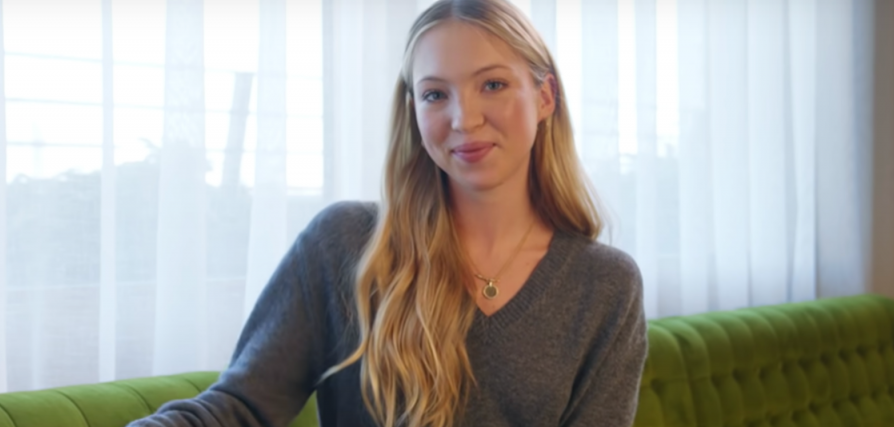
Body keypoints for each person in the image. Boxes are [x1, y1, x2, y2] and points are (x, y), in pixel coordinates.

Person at [130, 0, 646, 425]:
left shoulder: (605, 286)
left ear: (545, 95)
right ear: (414, 112)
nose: (464, 119)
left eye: (492, 84)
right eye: (435, 94)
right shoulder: (342, 245)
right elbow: (241, 407)